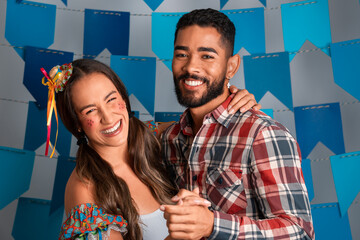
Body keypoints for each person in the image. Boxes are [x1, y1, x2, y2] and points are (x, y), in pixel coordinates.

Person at [41, 59, 259, 239]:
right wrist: (181, 234)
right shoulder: (84, 189)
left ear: (123, 98)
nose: (108, 117)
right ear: (76, 123)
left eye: (111, 100)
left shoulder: (151, 136)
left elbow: (200, 124)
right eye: (90, 111)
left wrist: (232, 100)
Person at [160, 8, 314, 240]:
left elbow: (300, 233)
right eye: (182, 54)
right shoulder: (168, 139)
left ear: (231, 67)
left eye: (207, 56)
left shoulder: (263, 133)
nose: (191, 67)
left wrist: (213, 225)